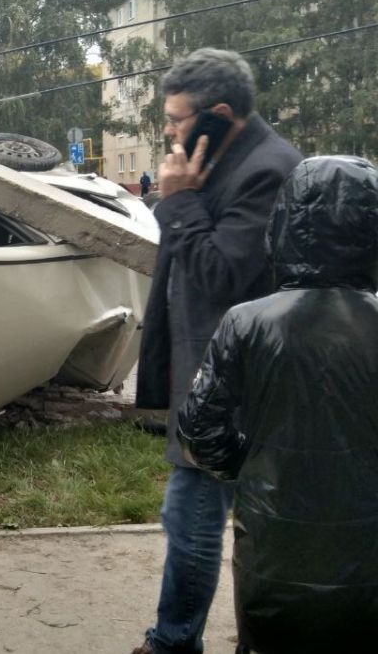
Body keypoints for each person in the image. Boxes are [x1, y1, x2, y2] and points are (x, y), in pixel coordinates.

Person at [132, 48, 302, 654]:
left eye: (176, 119)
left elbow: (223, 278)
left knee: (193, 519)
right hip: (207, 374)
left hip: (233, 384)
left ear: (219, 113)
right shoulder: (225, 157)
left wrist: (176, 200)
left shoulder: (268, 169)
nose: (169, 131)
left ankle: (173, 642)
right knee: (197, 517)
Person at [177, 156, 378, 653]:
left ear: (286, 223)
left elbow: (200, 430)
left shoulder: (247, 322)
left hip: (274, 528)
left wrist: (255, 465)